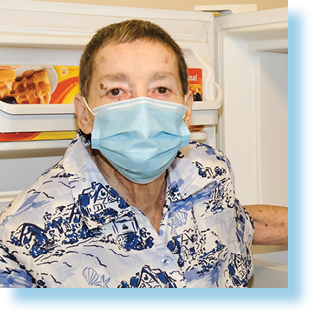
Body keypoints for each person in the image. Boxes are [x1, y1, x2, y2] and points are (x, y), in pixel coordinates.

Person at [0, 19, 287, 288]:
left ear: (187, 109)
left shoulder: (209, 171)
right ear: (83, 115)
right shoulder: (21, 236)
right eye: (116, 91)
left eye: (161, 88)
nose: (141, 111)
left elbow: (236, 221)